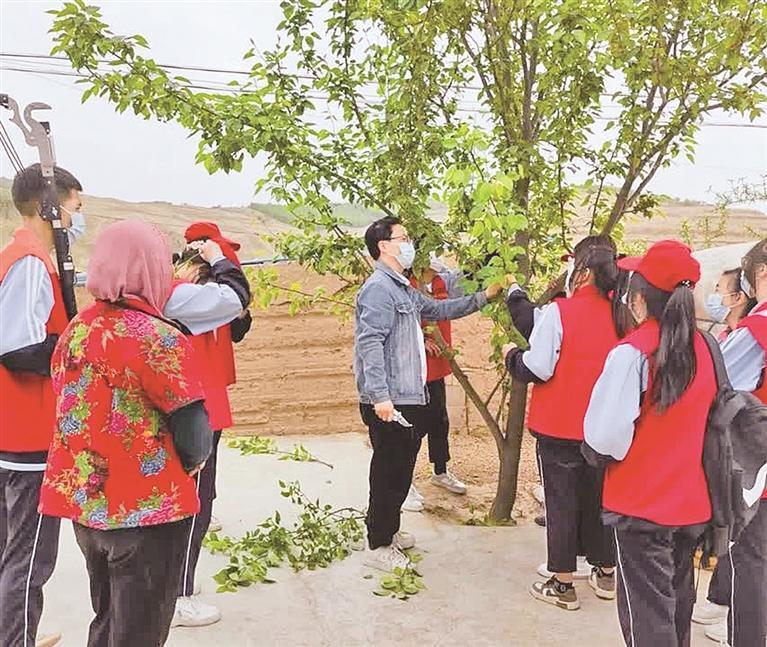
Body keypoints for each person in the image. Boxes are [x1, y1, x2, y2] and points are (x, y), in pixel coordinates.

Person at [39, 220, 213, 647]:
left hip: (89, 507)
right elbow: (194, 431)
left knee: (108, 617)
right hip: (147, 511)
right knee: (140, 631)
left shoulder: (77, 330)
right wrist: (193, 462)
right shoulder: (158, 338)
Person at [584, 240, 717, 647]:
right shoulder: (707, 348)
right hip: (690, 505)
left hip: (640, 507)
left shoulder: (633, 354)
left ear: (639, 298)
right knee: (677, 609)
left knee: (646, 617)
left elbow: (605, 438)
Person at [355, 217, 504, 571]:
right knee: (389, 472)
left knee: (400, 469)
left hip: (408, 394)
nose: (409, 244)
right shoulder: (378, 288)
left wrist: (484, 296)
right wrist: (380, 397)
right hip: (390, 399)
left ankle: (387, 532)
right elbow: (369, 343)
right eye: (403, 238)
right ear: (384, 246)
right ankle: (378, 544)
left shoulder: (401, 287)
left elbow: (438, 310)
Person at [503, 235, 629, 610]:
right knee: (600, 501)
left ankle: (562, 584)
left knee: (561, 504)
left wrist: (513, 358)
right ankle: (605, 573)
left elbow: (539, 367)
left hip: (559, 428)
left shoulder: (561, 312)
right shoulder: (622, 316)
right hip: (604, 430)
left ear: (583, 271)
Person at [0, 163, 84, 647]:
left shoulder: (22, 256)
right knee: (28, 559)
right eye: (75, 206)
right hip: (27, 436)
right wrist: (73, 346)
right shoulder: (30, 261)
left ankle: (14, 634)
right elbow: (18, 349)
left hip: (14, 429)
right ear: (50, 207)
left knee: (11, 554)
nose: (77, 217)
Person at [164, 222, 252, 628]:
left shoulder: (198, 295)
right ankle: (176, 594)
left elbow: (237, 326)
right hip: (197, 407)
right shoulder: (189, 296)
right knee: (193, 502)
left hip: (204, 402)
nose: (230, 264)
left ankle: (177, 582)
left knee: (198, 498)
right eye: (221, 256)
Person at [692, 266, 756, 635]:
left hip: (747, 449)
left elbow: (717, 385)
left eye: (720, 289)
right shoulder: (734, 332)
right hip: (741, 446)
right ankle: (720, 599)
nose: (714, 296)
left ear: (739, 296)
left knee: (749, 543)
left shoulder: (752, 333)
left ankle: (741, 627)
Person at [715, 238, 767, 647]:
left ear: (761, 272)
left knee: (749, 562)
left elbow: (715, 383)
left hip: (756, 467)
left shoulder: (756, 328)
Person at [402, 256, 469, 513]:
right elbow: (400, 324)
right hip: (415, 372)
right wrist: (422, 338)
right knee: (414, 428)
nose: (434, 271)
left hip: (437, 368)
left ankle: (440, 471)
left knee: (439, 421)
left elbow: (466, 285)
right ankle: (404, 482)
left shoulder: (443, 282)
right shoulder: (406, 286)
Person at [703, 267, 756, 338]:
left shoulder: (748, 337)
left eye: (717, 290)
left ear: (738, 297)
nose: (712, 296)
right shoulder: (726, 336)